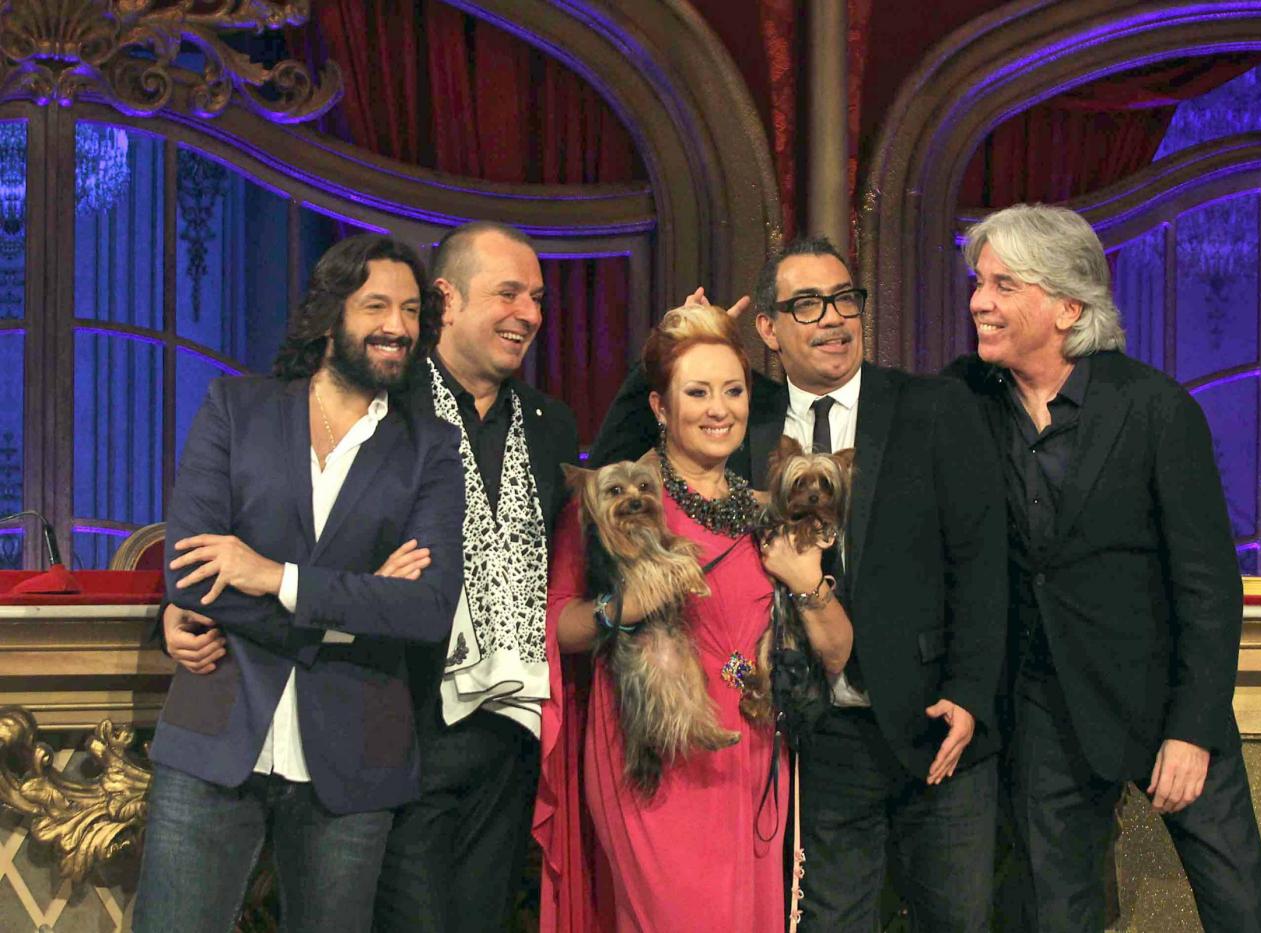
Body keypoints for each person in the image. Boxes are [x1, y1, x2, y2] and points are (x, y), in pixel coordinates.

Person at [588, 240, 1007, 931]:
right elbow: (610, 472)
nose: (833, 318)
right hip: (814, 737)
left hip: (934, 725)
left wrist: (969, 692)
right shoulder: (737, 415)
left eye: (845, 299)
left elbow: (982, 563)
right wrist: (666, 350)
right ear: (768, 328)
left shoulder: (934, 406)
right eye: (807, 305)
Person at [945, 203, 1261, 932]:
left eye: (1003, 285)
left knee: (1241, 907)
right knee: (1058, 913)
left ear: (1067, 307)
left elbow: (1208, 587)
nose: (979, 301)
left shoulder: (1155, 408)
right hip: (1043, 708)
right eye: (979, 282)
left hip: (1161, 697)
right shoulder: (964, 399)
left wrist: (1192, 730)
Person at [135, 234, 464, 933]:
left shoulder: (430, 449)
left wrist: (273, 576)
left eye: (411, 310)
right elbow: (190, 579)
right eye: (376, 305)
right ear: (329, 315)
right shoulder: (236, 408)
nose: (398, 326)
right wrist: (358, 603)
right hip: (214, 737)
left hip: (355, 761)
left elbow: (428, 609)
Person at [535, 304, 853, 931]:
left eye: (733, 390)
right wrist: (627, 604)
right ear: (659, 406)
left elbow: (838, 653)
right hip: (653, 756)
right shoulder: (614, 499)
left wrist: (806, 582)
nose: (719, 409)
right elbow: (557, 626)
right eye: (698, 392)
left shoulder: (770, 511)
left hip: (751, 755)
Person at [373, 221, 580, 932]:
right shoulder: (388, 405)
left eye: (538, 298)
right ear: (446, 300)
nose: (529, 313)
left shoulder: (551, 424)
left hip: (509, 739)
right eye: (508, 293)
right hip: (405, 729)